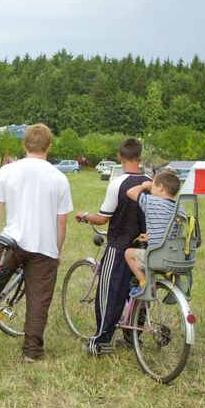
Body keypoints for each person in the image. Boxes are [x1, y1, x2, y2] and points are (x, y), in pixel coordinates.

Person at [0, 123, 72, 362]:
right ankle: (32, 351)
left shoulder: (7, 171)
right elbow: (62, 222)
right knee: (38, 300)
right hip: (43, 248)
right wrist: (56, 250)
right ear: (49, 146)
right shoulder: (59, 178)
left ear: (24, 144)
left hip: (10, 242)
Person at [75, 138, 151, 355]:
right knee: (140, 290)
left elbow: (102, 218)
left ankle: (102, 339)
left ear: (119, 157)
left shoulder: (118, 183)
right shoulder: (152, 182)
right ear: (140, 157)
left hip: (119, 247)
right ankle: (133, 335)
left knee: (108, 293)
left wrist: (85, 215)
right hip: (143, 248)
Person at [124, 171, 181, 298]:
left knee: (128, 253)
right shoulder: (179, 208)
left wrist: (145, 186)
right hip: (175, 256)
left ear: (160, 187)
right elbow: (170, 232)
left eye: (153, 186)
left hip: (157, 257)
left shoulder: (152, 202)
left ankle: (144, 284)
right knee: (163, 260)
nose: (151, 189)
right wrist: (150, 237)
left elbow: (130, 192)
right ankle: (174, 283)